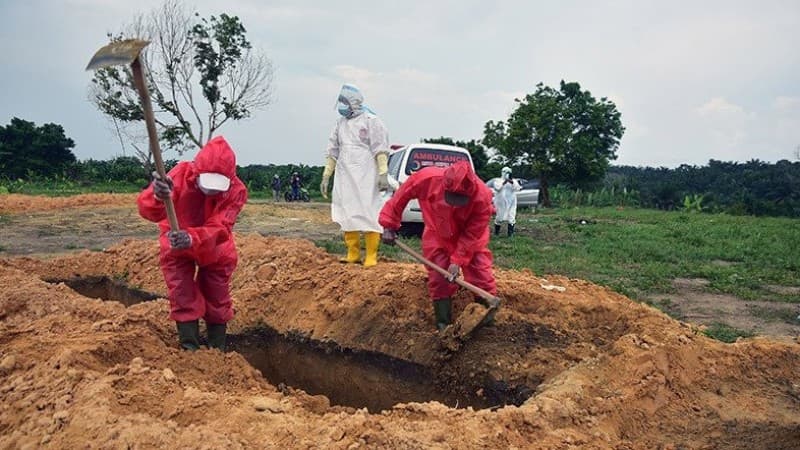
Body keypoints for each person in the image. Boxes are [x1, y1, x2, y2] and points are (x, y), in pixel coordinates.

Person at [137, 136, 248, 352]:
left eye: (218, 185)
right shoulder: (179, 175)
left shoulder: (237, 191)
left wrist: (192, 238)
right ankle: (190, 349)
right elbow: (147, 210)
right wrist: (157, 196)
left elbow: (221, 227)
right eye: (208, 182)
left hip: (214, 247)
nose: (212, 191)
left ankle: (218, 351)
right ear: (196, 171)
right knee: (182, 293)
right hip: (176, 244)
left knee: (217, 297)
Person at [379, 161, 499, 331]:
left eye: (460, 200)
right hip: (437, 234)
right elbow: (401, 195)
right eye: (452, 198)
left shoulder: (483, 197)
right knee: (439, 279)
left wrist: (457, 260)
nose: (455, 204)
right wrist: (389, 224)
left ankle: (486, 325)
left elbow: (472, 234)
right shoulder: (426, 179)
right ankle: (444, 328)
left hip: (470, 240)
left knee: (481, 276)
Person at [320, 84, 391, 267]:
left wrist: (383, 173)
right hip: (345, 175)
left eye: (345, 102)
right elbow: (333, 149)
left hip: (367, 173)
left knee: (369, 212)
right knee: (347, 212)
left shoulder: (371, 121)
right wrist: (327, 174)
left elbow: (380, 149)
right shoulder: (340, 124)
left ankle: (371, 255)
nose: (342, 106)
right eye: (341, 102)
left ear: (354, 102)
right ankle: (352, 253)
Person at [487, 166, 522, 236]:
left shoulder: (513, 181)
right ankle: (496, 232)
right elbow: (497, 188)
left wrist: (511, 182)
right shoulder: (498, 180)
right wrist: (504, 182)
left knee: (511, 217)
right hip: (500, 203)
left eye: (508, 172)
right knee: (499, 217)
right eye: (505, 172)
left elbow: (518, 188)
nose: (507, 174)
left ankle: (510, 233)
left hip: (511, 202)